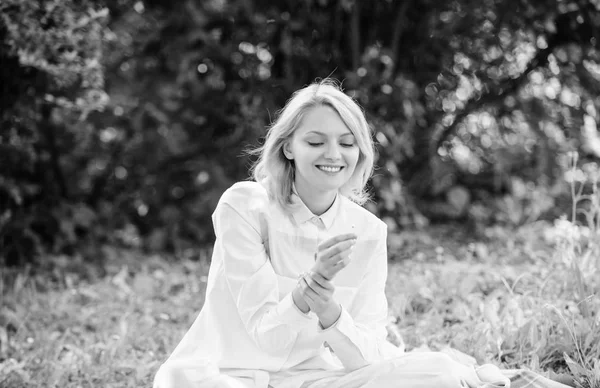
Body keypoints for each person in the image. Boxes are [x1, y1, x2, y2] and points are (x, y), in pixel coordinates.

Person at [153, 80, 571, 388]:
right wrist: (307, 290)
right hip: (229, 376)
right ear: (288, 147)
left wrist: (331, 312)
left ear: (360, 153)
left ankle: (494, 380)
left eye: (347, 143)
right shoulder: (245, 206)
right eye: (316, 141)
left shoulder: (367, 232)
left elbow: (365, 355)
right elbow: (264, 335)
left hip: (317, 381)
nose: (334, 155)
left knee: (439, 375)